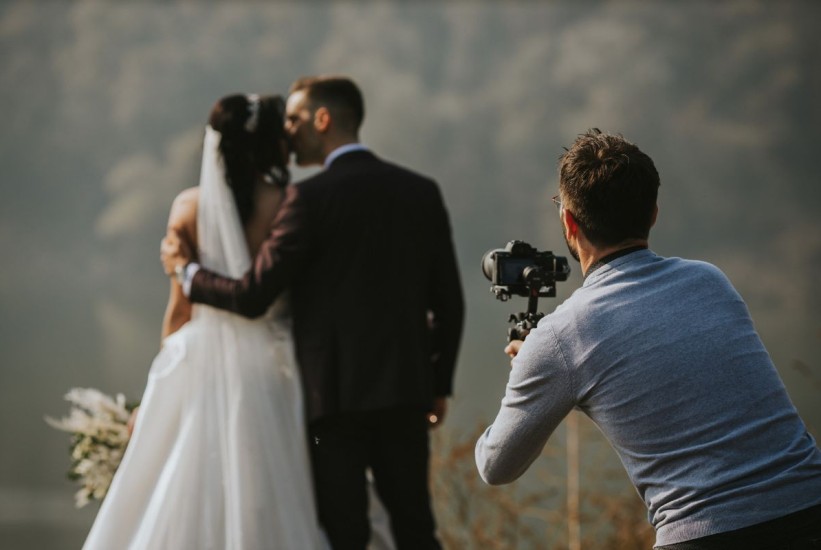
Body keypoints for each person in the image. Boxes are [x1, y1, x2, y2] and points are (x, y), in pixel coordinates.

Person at [475, 129, 821, 549]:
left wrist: (530, 370)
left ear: (569, 221)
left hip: (704, 533)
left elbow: (496, 466)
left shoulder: (563, 336)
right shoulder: (710, 279)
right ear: (654, 212)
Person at [162, 75, 465, 549]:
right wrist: (438, 384)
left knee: (345, 532)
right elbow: (449, 301)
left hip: (332, 405)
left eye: (295, 119)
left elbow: (253, 295)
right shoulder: (420, 191)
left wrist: (187, 275)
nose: (287, 131)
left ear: (322, 120)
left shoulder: (308, 200)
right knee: (414, 526)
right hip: (407, 395)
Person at [84, 94, 327, 549]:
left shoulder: (187, 207)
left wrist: (158, 384)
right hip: (276, 366)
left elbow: (180, 307)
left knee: (183, 489)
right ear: (273, 142)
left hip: (197, 360)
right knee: (270, 490)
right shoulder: (292, 205)